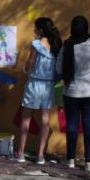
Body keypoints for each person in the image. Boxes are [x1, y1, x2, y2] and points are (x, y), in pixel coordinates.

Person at [56, 16, 90, 172]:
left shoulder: (67, 45)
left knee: (71, 125)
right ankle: (89, 161)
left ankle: (70, 159)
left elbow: (58, 69)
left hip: (71, 91)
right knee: (89, 125)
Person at [15, 17, 62, 165]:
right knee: (45, 120)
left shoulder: (36, 44)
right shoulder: (55, 45)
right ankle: (40, 155)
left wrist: (22, 68)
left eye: (35, 28)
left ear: (40, 30)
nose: (34, 30)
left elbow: (29, 64)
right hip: (49, 86)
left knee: (26, 118)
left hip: (35, 84)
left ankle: (21, 153)